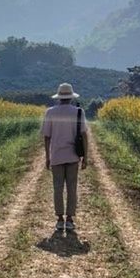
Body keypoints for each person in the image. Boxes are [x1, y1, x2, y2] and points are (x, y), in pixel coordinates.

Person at [41, 82, 88, 233]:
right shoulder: (78, 112)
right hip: (73, 156)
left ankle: (60, 219)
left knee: (58, 188)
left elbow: (47, 137)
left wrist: (47, 157)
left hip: (56, 156)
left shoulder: (50, 112)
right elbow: (84, 135)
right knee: (72, 188)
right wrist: (86, 157)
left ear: (59, 97)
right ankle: (70, 220)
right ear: (71, 97)